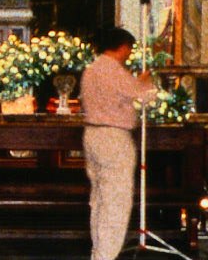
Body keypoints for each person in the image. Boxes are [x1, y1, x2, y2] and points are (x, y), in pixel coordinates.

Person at [74, 26, 157, 260]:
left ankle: (98, 252)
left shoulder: (91, 70)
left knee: (99, 200)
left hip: (92, 135)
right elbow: (143, 95)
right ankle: (105, 256)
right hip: (114, 138)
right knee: (116, 201)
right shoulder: (112, 69)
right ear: (122, 47)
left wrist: (135, 83)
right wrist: (146, 82)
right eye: (129, 50)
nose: (128, 55)